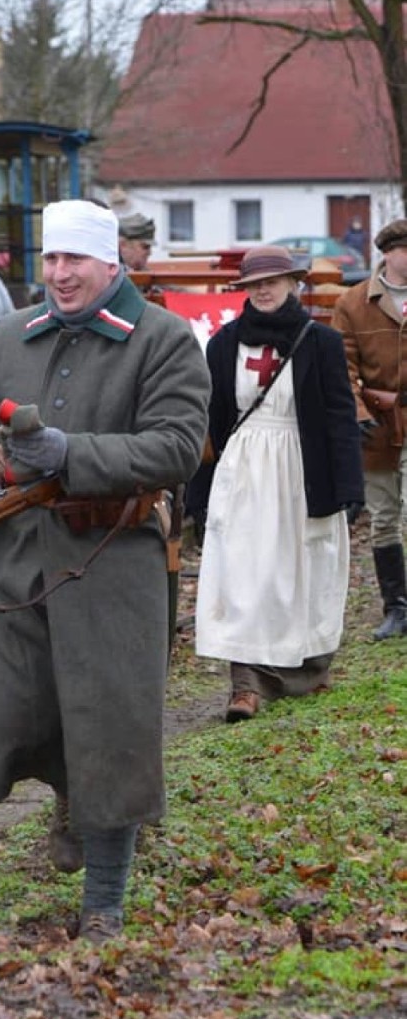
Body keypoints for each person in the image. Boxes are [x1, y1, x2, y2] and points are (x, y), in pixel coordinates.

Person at [0, 198, 210, 942]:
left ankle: (105, 898)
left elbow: (180, 445)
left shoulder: (162, 340)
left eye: (75, 261)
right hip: (17, 556)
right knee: (19, 708)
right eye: (51, 260)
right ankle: (67, 798)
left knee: (112, 723)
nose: (59, 274)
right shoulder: (9, 336)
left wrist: (73, 456)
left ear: (111, 262)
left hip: (112, 556)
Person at [190, 245, 364, 721]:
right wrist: (199, 493)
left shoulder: (321, 343)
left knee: (303, 569)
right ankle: (245, 686)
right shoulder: (224, 344)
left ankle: (306, 672)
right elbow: (212, 422)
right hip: (244, 469)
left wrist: (349, 486)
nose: (263, 290)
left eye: (272, 281)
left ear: (294, 284)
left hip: (302, 468)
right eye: (254, 284)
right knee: (243, 573)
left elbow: (339, 418)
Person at [333, 218, 407, 639]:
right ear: (388, 253)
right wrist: (357, 412)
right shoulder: (355, 303)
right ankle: (396, 608)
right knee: (383, 517)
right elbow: (343, 366)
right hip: (378, 423)